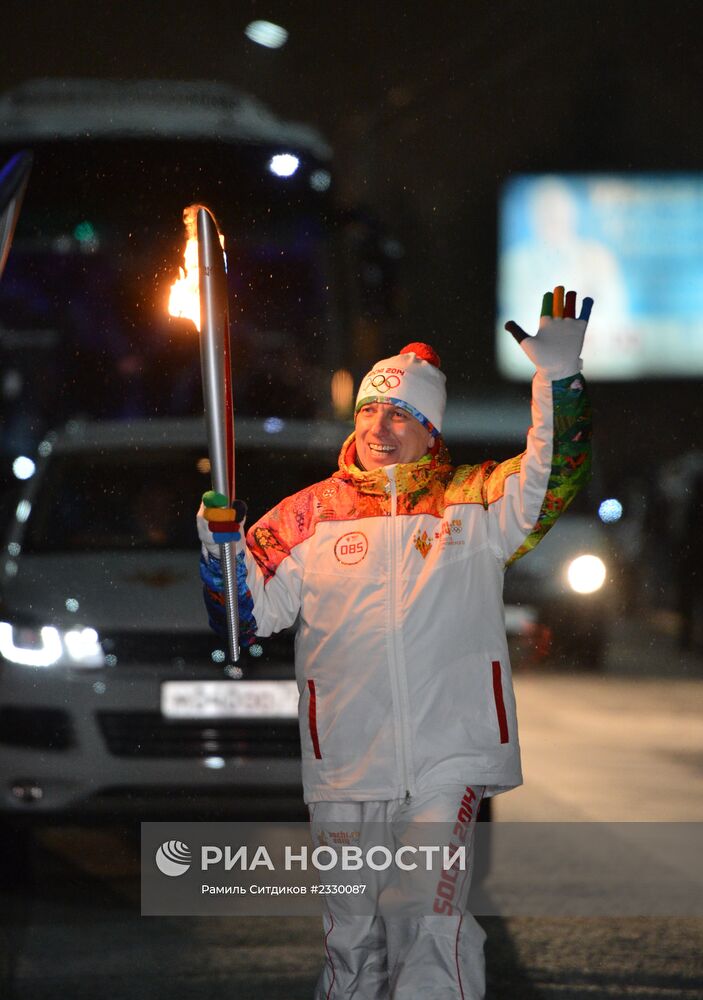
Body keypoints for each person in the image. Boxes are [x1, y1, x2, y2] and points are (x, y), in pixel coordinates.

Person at [197, 286, 593, 999]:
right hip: (346, 757)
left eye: (401, 414)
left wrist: (556, 379)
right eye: (370, 410)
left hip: (448, 752)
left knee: (424, 916)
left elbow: (552, 475)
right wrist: (218, 547)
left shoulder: (473, 504)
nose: (380, 426)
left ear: (430, 429)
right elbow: (242, 622)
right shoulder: (304, 517)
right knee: (351, 937)